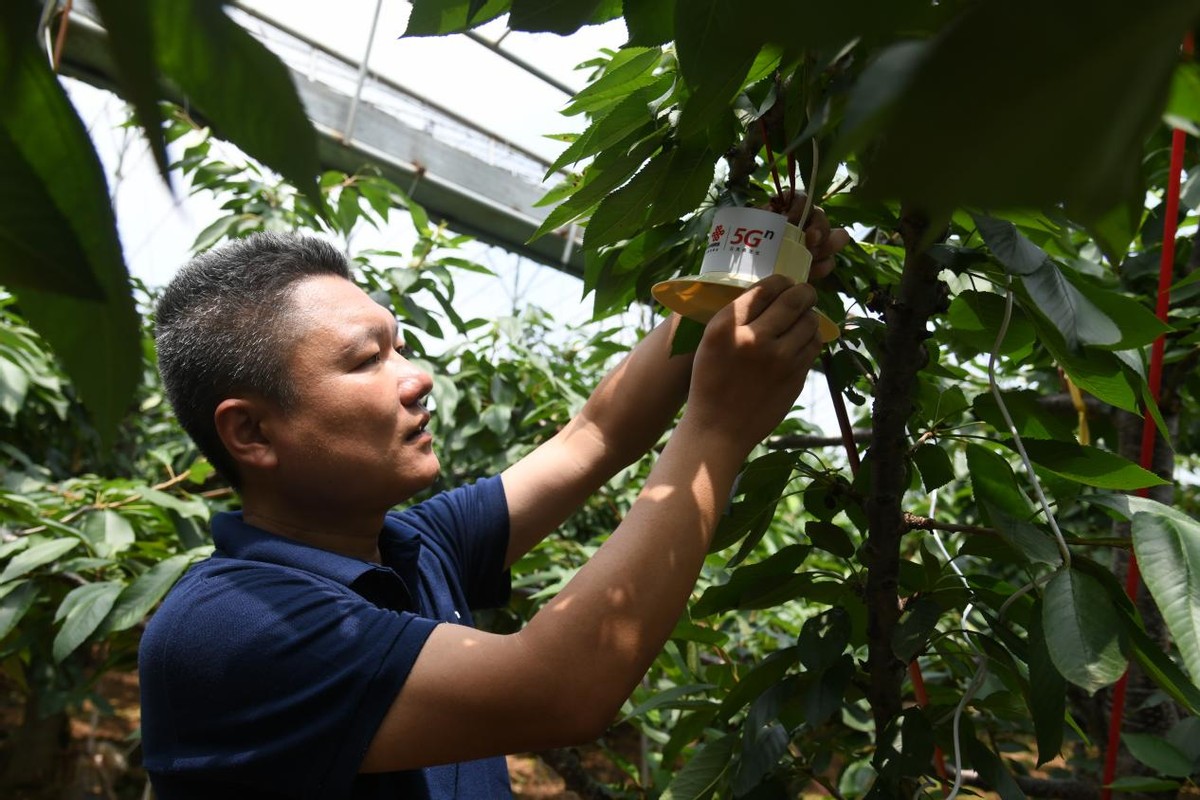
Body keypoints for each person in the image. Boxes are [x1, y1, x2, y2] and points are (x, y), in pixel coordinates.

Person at [139, 205, 850, 799]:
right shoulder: (227, 626)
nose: (417, 377)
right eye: (366, 359)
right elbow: (563, 689)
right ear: (251, 432)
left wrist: (742, 280)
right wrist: (718, 430)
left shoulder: (413, 548)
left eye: (399, 347)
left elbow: (595, 434)